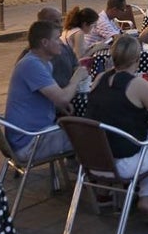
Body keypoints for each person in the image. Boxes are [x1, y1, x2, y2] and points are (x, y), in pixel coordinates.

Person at [85, 34, 148, 225]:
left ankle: (141, 195)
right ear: (137, 59)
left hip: (95, 160)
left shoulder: (99, 78)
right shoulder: (137, 84)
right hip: (124, 163)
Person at [5, 19, 89, 159]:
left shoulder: (44, 63)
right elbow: (62, 98)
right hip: (29, 142)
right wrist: (76, 77)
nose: (61, 43)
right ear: (44, 42)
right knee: (93, 136)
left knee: (82, 129)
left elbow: (54, 98)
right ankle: (90, 175)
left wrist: (60, 106)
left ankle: (81, 172)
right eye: (57, 38)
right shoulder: (31, 65)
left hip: (37, 133)